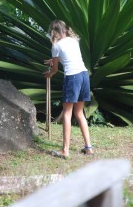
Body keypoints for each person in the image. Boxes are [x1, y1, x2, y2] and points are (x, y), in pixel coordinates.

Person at [43, 19, 93, 159]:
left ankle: (65, 150)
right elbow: (66, 57)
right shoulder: (73, 40)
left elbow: (55, 69)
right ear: (65, 29)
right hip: (84, 75)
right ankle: (88, 147)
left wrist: (49, 74)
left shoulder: (56, 45)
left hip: (72, 78)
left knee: (67, 113)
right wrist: (53, 60)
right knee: (79, 112)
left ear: (53, 32)